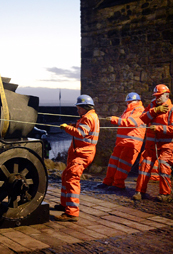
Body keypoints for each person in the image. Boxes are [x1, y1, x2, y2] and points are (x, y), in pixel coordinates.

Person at [131, 84, 173, 202]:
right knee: (145, 166)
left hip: (168, 146)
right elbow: (143, 118)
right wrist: (154, 111)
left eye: (159, 96)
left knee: (164, 168)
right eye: (156, 96)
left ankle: (165, 194)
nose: (157, 98)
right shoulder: (152, 107)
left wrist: (158, 128)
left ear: (166, 95)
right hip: (151, 145)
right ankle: (139, 192)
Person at [54, 94, 100, 222]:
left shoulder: (87, 118)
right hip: (80, 152)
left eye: (79, 108)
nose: (77, 110)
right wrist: (73, 125)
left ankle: (72, 213)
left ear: (85, 107)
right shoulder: (88, 116)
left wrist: (67, 128)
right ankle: (65, 204)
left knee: (72, 178)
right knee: (66, 175)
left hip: (83, 153)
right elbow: (83, 129)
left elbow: (80, 134)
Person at [97, 92, 146, 191]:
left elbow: (131, 123)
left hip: (132, 142)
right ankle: (108, 182)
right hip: (122, 141)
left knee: (123, 164)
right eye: (127, 102)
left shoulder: (140, 110)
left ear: (136, 101)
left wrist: (115, 119)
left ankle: (118, 184)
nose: (128, 103)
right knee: (113, 162)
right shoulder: (128, 111)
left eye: (130, 102)